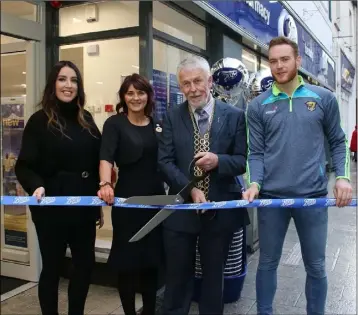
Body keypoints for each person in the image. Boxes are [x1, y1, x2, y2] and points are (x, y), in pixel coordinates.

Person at [243, 36, 353, 315]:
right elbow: (255, 152)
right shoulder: (258, 106)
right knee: (267, 262)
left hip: (312, 198)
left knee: (315, 265)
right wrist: (254, 183)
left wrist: (342, 177)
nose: (279, 66)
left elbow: (338, 142)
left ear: (298, 61)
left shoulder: (323, 98)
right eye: (273, 61)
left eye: (285, 59)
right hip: (272, 199)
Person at [158, 56, 249, 315]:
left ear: (209, 81)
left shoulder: (234, 116)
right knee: (177, 278)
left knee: (213, 280)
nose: (192, 88)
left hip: (220, 212)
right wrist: (191, 189)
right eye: (185, 83)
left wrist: (218, 161)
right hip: (181, 211)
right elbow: (164, 161)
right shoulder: (173, 117)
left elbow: (243, 160)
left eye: (197, 81)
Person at [15, 60, 103, 315]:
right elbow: (24, 166)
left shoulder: (86, 119)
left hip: (84, 207)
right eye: (63, 79)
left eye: (74, 80)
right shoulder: (39, 121)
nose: (68, 85)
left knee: (85, 266)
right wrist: (37, 186)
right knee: (52, 268)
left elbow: (99, 158)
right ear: (53, 84)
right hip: (51, 207)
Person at [98, 73, 165, 315]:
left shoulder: (158, 124)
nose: (136, 97)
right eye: (130, 93)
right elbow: (105, 156)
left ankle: (148, 311)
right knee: (127, 262)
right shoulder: (115, 124)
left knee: (151, 262)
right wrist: (105, 183)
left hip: (156, 201)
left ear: (148, 95)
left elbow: (166, 162)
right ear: (123, 97)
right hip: (127, 202)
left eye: (141, 92)